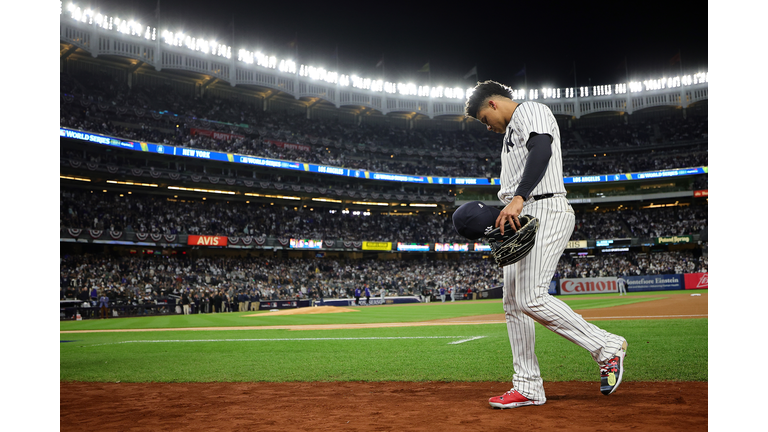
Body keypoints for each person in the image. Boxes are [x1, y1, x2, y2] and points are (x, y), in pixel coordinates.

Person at [459, 80, 628, 409]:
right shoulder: (509, 134)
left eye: (483, 118)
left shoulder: (530, 111)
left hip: (544, 207)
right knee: (512, 303)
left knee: (530, 297)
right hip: (521, 215)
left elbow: (542, 149)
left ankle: (607, 347)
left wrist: (519, 197)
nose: (487, 127)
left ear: (493, 103)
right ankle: (528, 385)